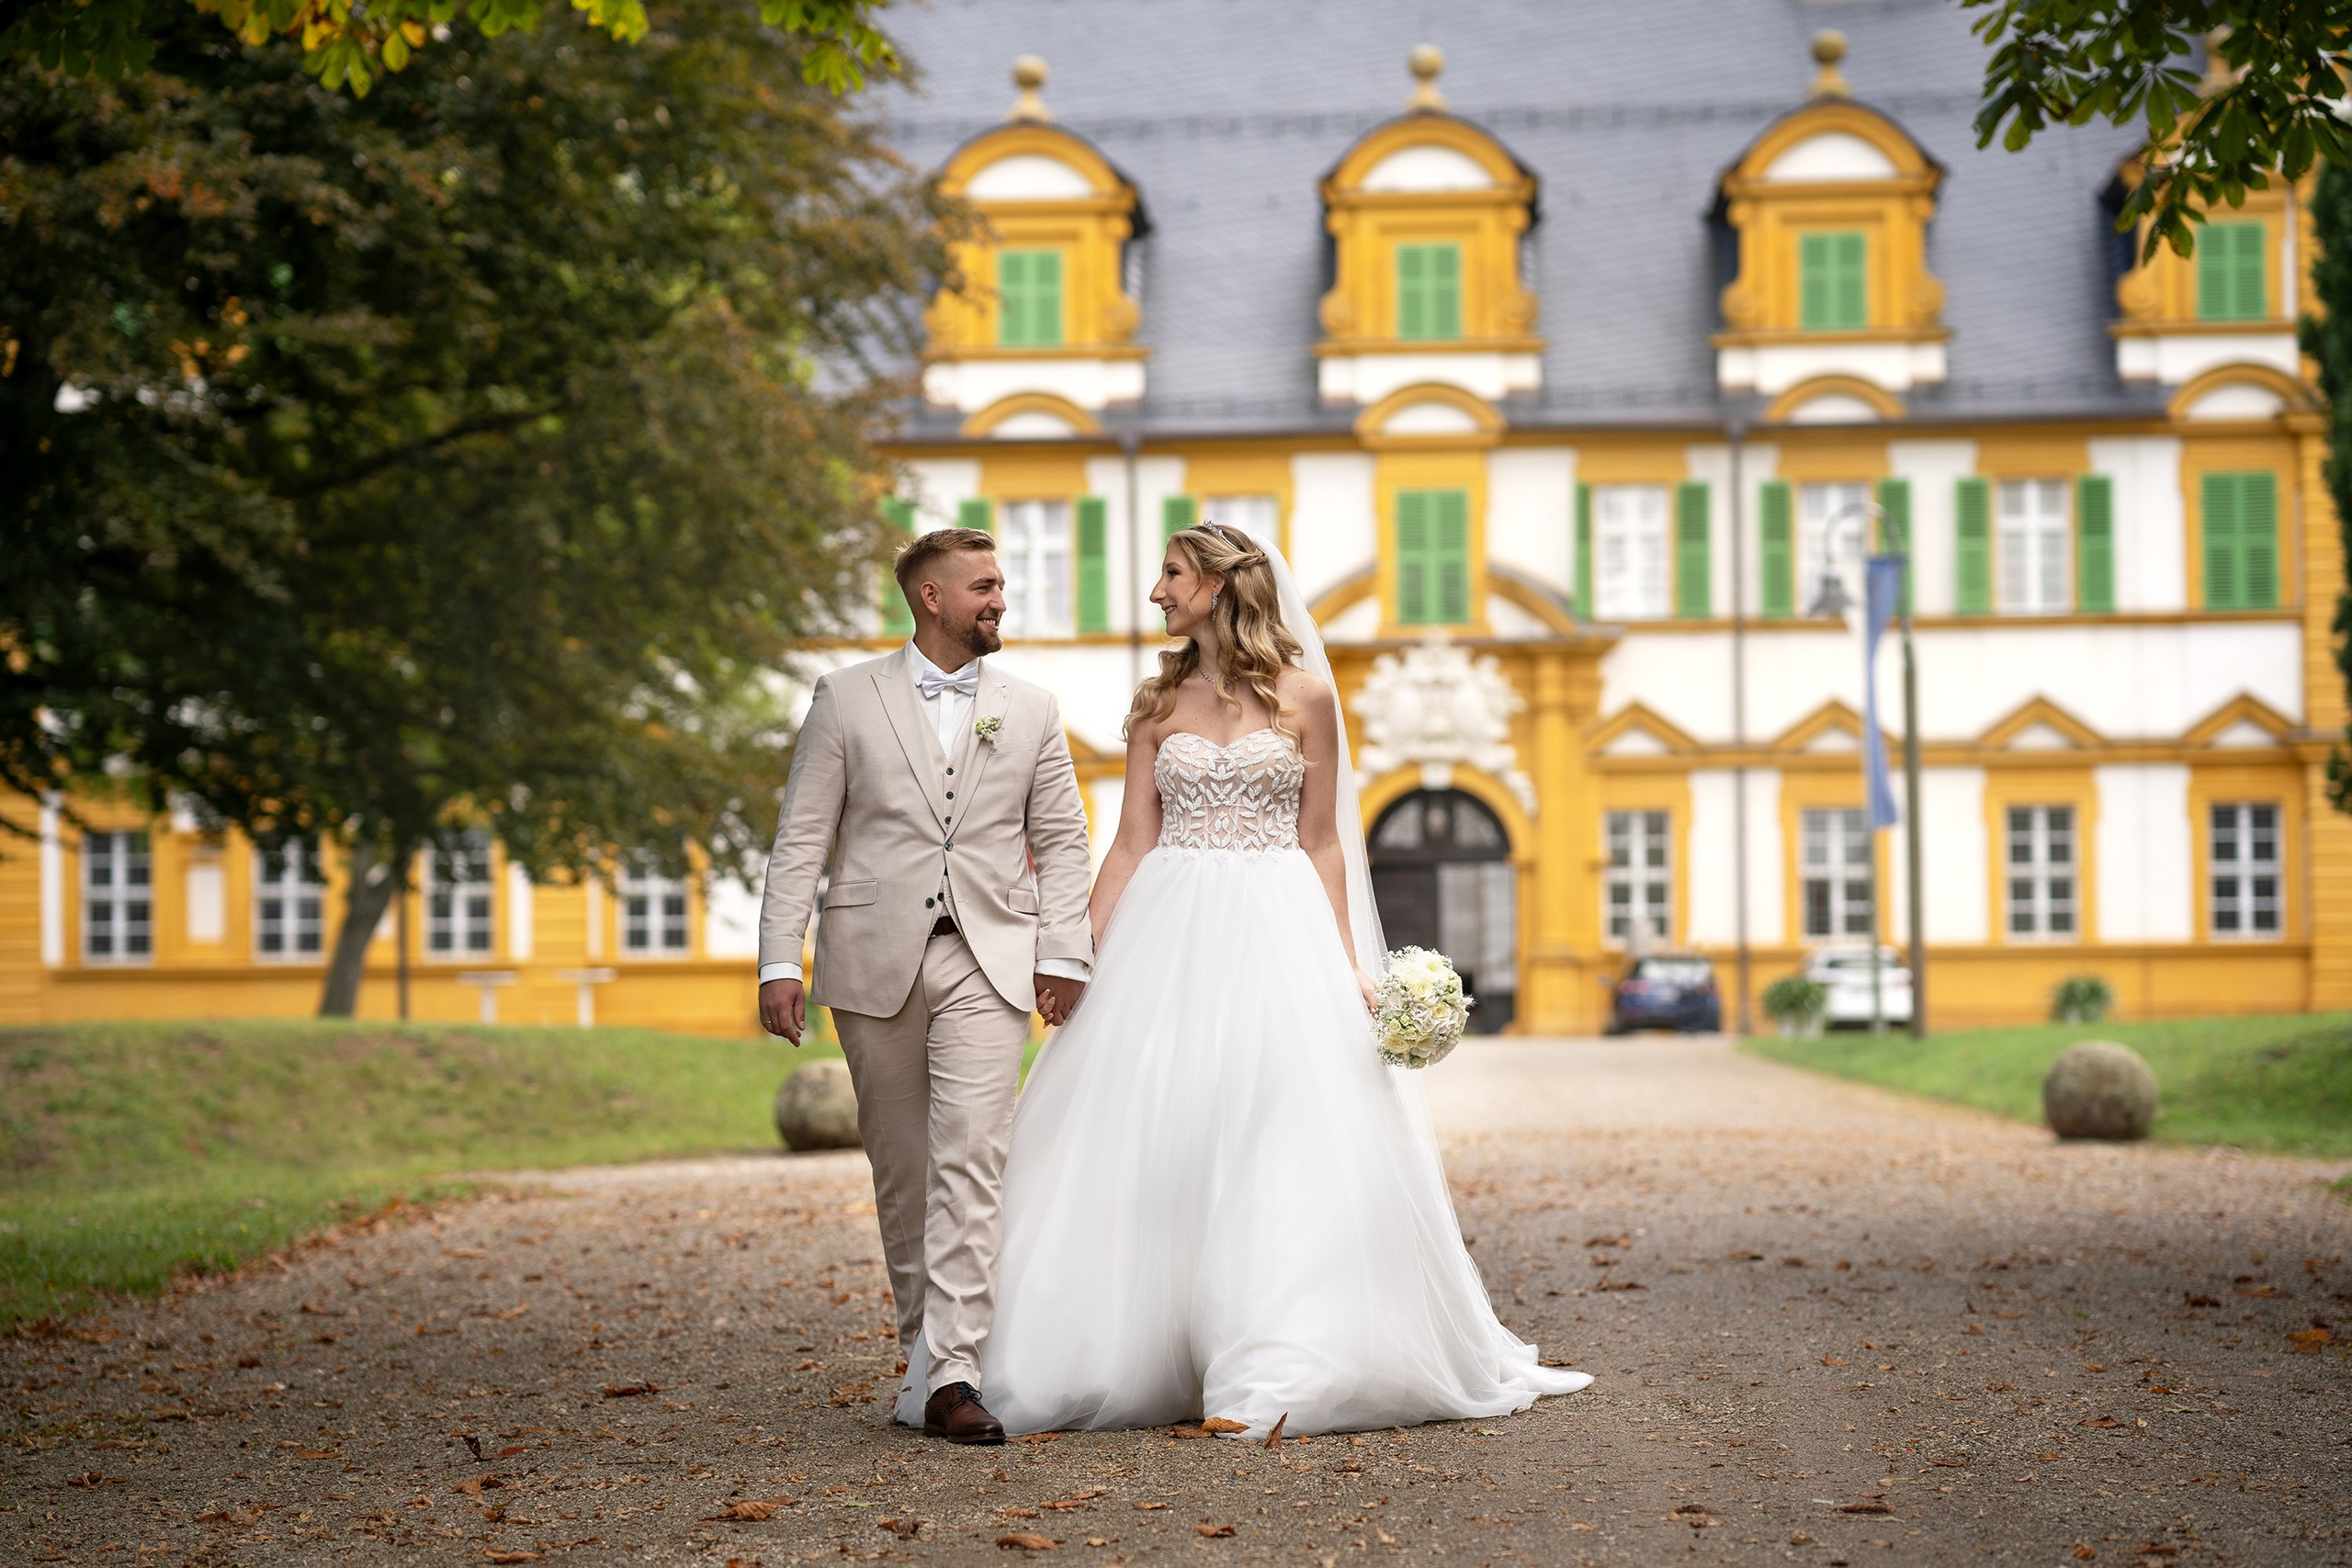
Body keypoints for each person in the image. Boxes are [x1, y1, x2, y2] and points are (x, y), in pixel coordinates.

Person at [960, 523, 1592, 1437]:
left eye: (1172, 574)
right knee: (1156, 1122)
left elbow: (1323, 839)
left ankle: (1278, 1351)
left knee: (1281, 1130)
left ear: (1219, 585)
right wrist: (1076, 952)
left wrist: (1347, 962)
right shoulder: (1157, 702)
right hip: (1167, 930)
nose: (1157, 592)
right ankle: (1132, 1346)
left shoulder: (1306, 697)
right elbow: (1131, 840)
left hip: (1278, 924)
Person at [756, 526, 1093, 1446]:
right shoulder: (844, 697)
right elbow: (802, 837)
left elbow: (1063, 840)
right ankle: (925, 1359)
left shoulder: (1032, 708)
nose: (1000, 600)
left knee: (973, 1158)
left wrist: (1063, 952)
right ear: (931, 597)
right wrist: (780, 960)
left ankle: (954, 1372)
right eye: (983, 586)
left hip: (991, 956)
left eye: (1001, 585)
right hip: (872, 958)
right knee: (903, 1170)